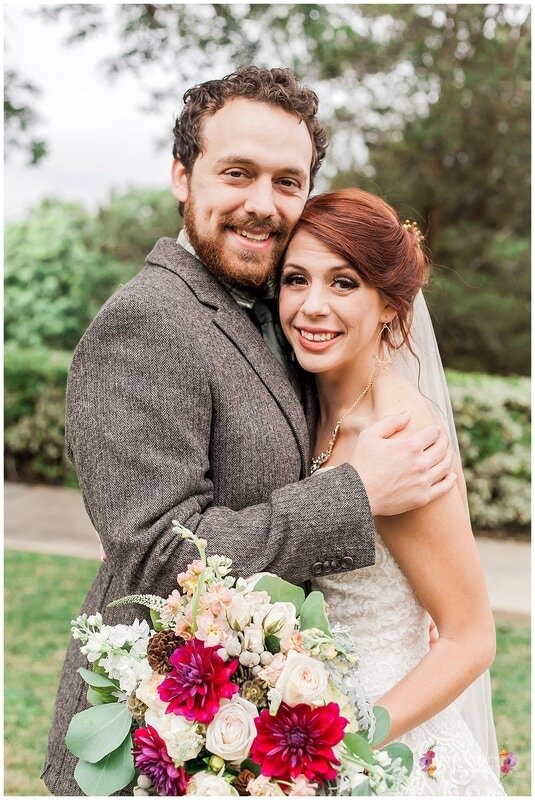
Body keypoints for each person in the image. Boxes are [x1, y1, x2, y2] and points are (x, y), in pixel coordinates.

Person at [42, 67, 455, 795]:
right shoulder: (144, 324)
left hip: (271, 732)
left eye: (286, 181)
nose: (262, 204)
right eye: (237, 173)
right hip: (159, 747)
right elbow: (155, 561)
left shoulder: (291, 311)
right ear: (181, 175)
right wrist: (353, 496)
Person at [278, 187, 504, 795]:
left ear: (389, 304)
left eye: (344, 283)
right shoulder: (307, 402)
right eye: (296, 279)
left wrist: (350, 738)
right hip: (301, 721)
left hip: (384, 746)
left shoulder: (401, 433)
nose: (312, 306)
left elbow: (469, 637)